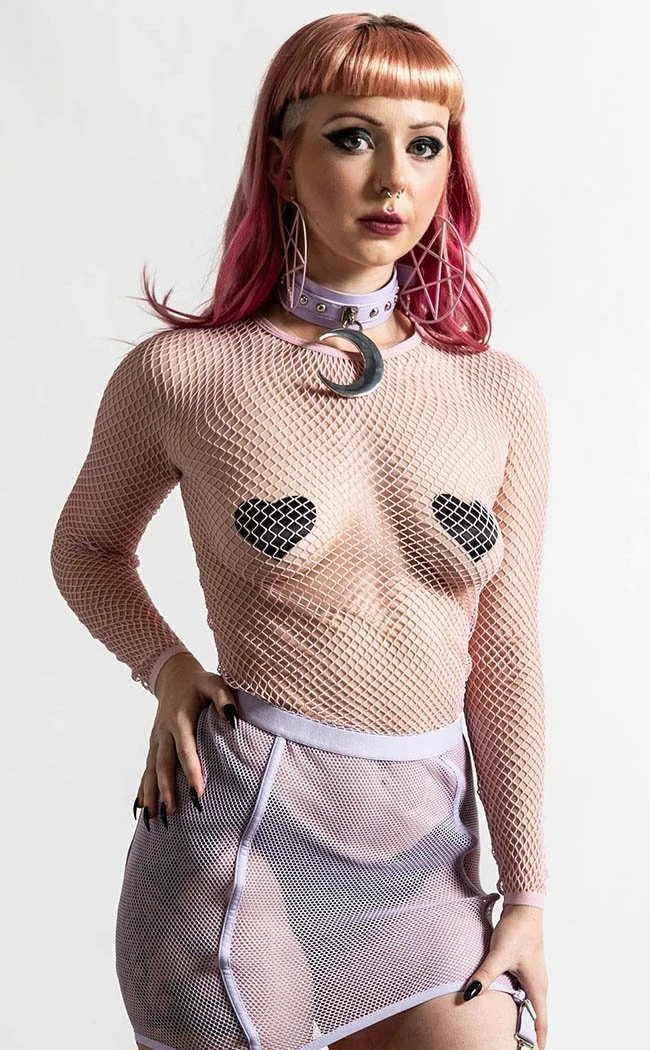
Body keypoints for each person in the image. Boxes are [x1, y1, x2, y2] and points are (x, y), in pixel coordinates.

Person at [50, 12, 550, 1050]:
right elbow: (87, 549)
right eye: (352, 137)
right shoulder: (187, 375)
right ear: (282, 163)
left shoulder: (497, 396)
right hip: (239, 842)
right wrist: (166, 667)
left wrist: (528, 891)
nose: (393, 179)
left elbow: (502, 654)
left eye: (424, 144)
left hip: (427, 868)